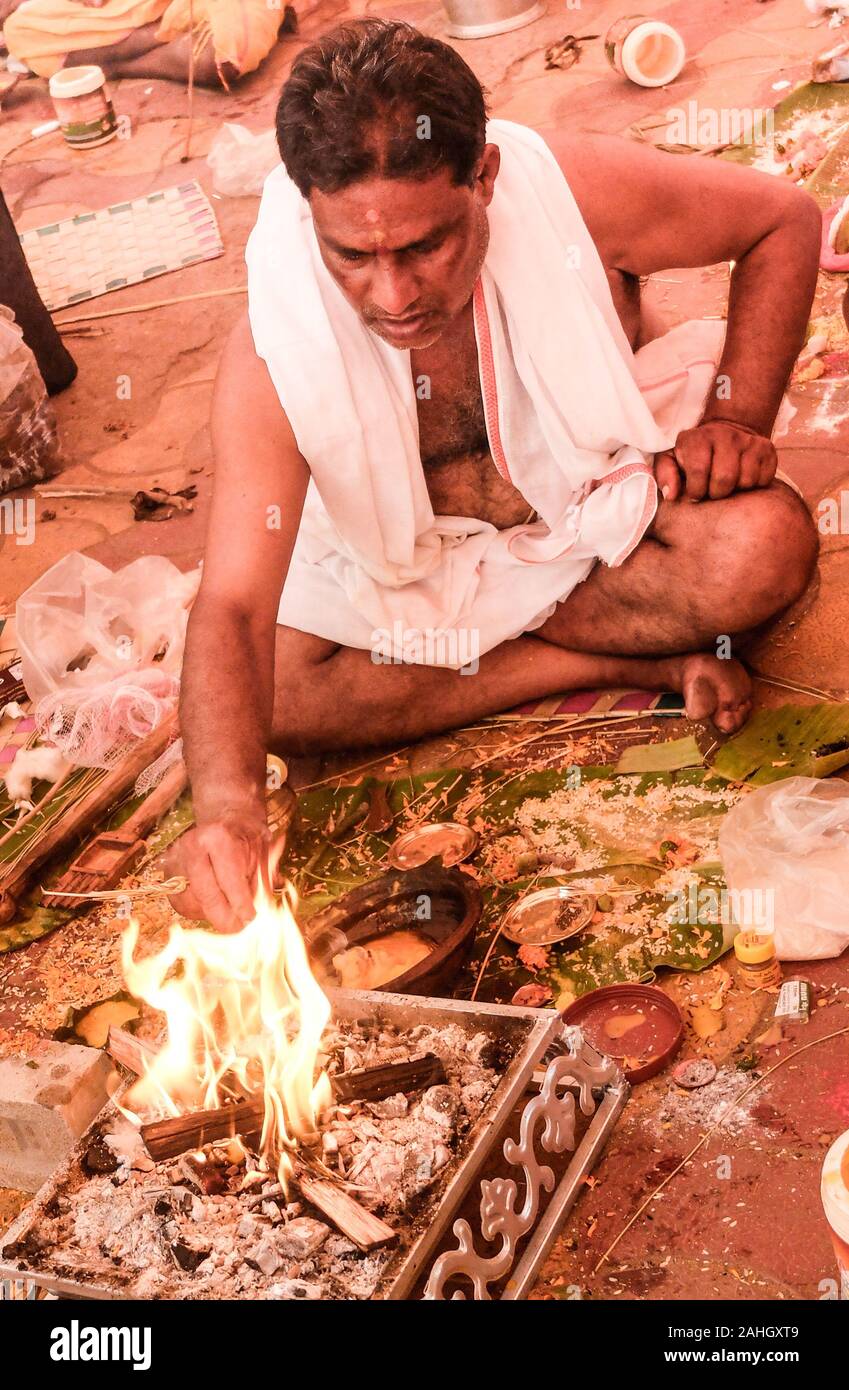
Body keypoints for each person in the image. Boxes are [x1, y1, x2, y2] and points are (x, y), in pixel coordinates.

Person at [172, 18, 820, 932]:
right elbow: (233, 604)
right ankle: (613, 662)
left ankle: (569, 653)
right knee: (269, 694)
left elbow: (780, 218)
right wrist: (227, 813)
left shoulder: (565, 192)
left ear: (483, 177)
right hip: (412, 581)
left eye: (423, 248)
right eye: (353, 256)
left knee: (759, 548)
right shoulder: (278, 337)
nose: (391, 297)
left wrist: (735, 417)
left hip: (583, 529)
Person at [2, 0, 294, 87]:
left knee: (225, 58)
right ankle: (148, 42)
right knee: (20, 29)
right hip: (119, 12)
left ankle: (117, 63)